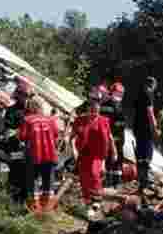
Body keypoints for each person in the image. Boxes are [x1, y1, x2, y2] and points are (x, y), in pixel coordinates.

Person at [70, 87, 118, 218]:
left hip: (97, 154)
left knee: (94, 174)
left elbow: (109, 137)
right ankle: (88, 203)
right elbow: (72, 137)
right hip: (83, 153)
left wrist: (114, 151)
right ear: (88, 109)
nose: (94, 113)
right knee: (84, 178)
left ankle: (96, 201)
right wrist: (73, 149)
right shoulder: (80, 120)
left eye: (96, 111)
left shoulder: (103, 121)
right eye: (92, 111)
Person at [19, 95, 60, 213]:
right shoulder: (50, 120)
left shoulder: (27, 120)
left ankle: (34, 208)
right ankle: (47, 209)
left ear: (31, 106)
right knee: (49, 180)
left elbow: (22, 136)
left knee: (33, 180)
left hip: (34, 155)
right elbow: (56, 134)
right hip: (50, 155)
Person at [4, 76, 32, 204]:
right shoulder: (12, 111)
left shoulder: (32, 111)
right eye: (25, 96)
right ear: (19, 95)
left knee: (27, 174)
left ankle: (23, 201)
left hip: (29, 148)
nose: (26, 98)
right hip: (16, 147)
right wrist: (18, 136)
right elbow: (8, 130)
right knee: (16, 170)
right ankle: (12, 199)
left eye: (28, 96)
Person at [132, 76, 159, 207]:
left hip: (137, 128)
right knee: (147, 153)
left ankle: (141, 179)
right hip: (146, 128)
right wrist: (154, 127)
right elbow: (149, 111)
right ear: (152, 85)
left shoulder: (138, 95)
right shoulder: (148, 94)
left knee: (141, 154)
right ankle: (145, 179)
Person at [101, 82, 126, 189]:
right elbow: (117, 124)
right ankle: (114, 182)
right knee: (114, 159)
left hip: (113, 137)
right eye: (119, 93)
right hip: (115, 137)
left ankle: (111, 182)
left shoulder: (106, 104)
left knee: (112, 159)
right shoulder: (116, 106)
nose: (120, 96)